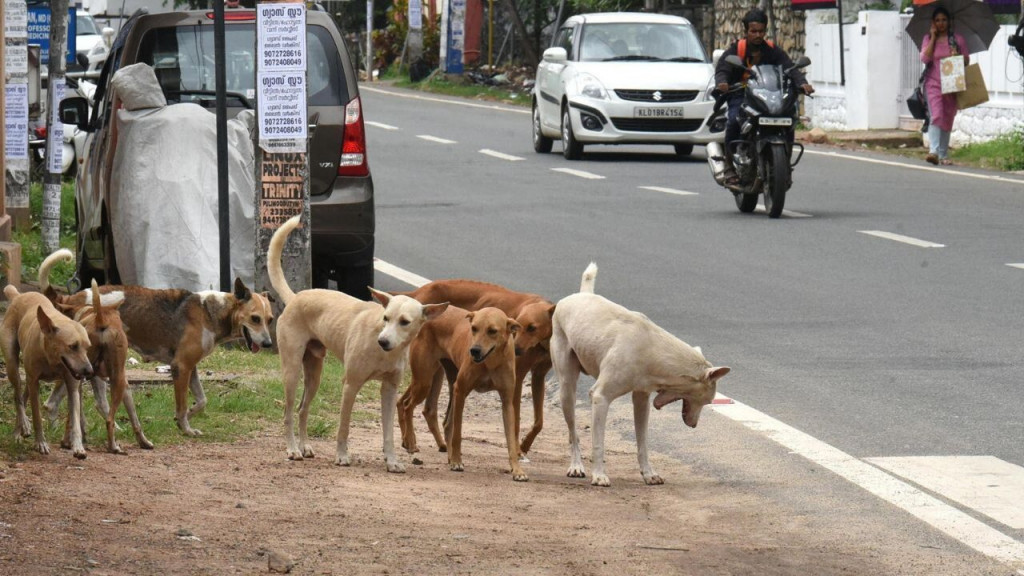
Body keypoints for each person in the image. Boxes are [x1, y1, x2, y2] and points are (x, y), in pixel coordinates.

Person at [714, 9, 814, 185]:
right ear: (746, 31)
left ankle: (785, 164)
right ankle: (729, 164)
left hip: (767, 94)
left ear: (765, 31)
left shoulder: (773, 51)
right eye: (753, 31)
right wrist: (722, 82)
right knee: (734, 120)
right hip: (741, 93)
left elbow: (789, 68)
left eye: (761, 31)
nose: (758, 35)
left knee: (788, 119)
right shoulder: (737, 50)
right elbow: (723, 69)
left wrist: (802, 83)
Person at [920, 6, 969, 166]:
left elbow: (966, 61)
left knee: (947, 117)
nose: (941, 23)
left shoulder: (957, 40)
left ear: (949, 22)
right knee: (937, 115)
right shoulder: (928, 39)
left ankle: (943, 154)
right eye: (937, 20)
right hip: (933, 83)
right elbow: (924, 59)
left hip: (951, 84)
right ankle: (933, 151)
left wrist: (957, 55)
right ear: (933, 23)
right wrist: (933, 38)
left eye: (944, 20)